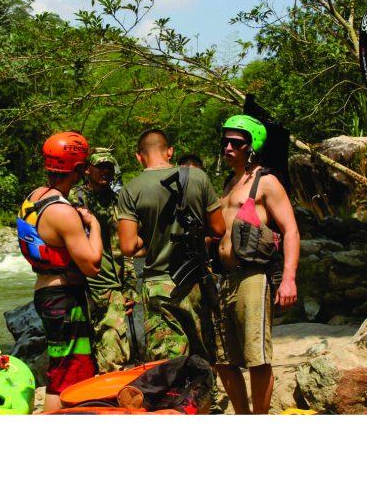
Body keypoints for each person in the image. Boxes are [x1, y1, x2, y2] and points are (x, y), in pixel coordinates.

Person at [213, 115, 299, 415]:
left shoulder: (267, 182)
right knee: (223, 358)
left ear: (251, 146)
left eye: (236, 143)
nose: (228, 147)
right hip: (225, 278)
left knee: (257, 357)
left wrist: (288, 278)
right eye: (225, 141)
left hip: (253, 276)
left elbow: (291, 230)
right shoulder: (227, 183)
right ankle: (242, 416)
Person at [117, 129, 224, 362]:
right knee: (203, 355)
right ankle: (208, 398)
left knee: (168, 361)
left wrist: (151, 236)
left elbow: (127, 246)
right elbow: (218, 230)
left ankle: (174, 398)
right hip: (196, 281)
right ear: (170, 151)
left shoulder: (130, 190)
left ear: (139, 156)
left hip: (158, 285)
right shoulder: (198, 178)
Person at [18, 131, 103, 412]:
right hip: (64, 298)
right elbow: (92, 265)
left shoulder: (34, 197)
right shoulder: (63, 213)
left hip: (45, 294)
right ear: (77, 168)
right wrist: (95, 225)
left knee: (59, 370)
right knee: (71, 374)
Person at [68, 147, 136, 373]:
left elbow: (124, 246)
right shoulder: (76, 197)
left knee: (114, 348)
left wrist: (130, 287)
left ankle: (110, 399)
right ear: (88, 169)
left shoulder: (118, 201)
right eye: (100, 167)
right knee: (87, 348)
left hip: (111, 285)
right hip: (84, 286)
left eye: (109, 167)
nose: (105, 171)